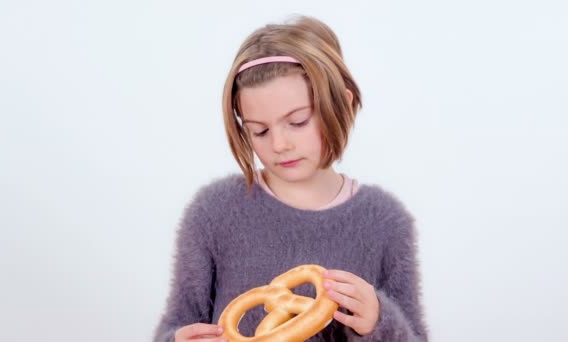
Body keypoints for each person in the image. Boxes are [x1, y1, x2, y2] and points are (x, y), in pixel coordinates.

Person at [153, 15, 428, 342]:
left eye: (297, 122)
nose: (279, 144)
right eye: (260, 131)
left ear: (343, 104)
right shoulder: (213, 212)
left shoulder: (386, 221)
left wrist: (379, 322)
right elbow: (175, 326)